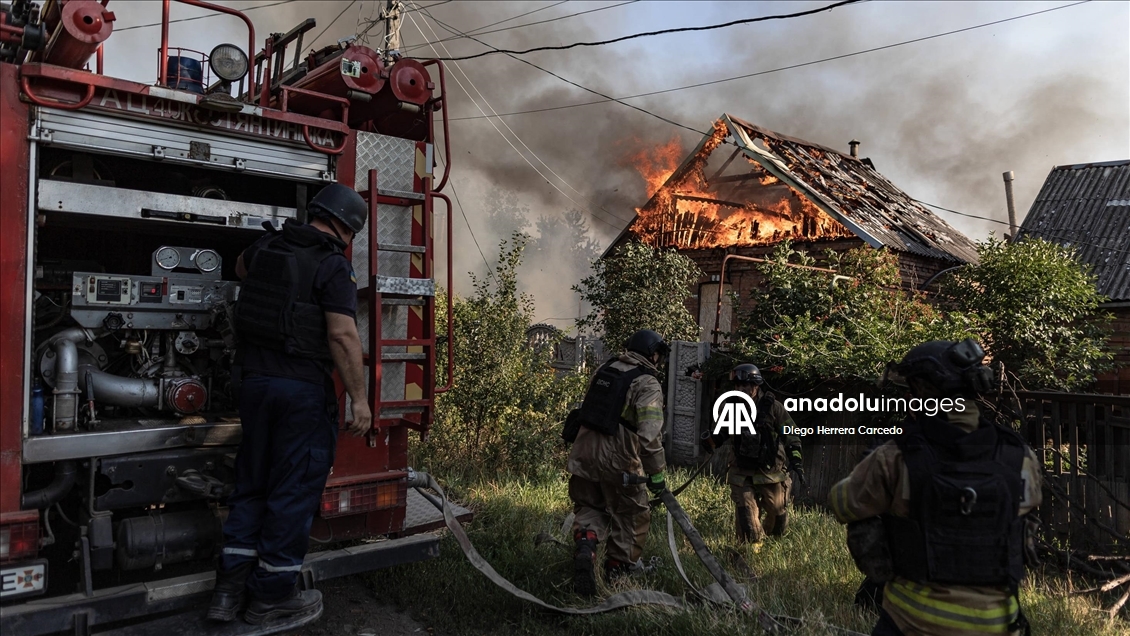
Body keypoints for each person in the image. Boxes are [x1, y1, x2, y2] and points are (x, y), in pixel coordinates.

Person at [207, 184, 372, 625]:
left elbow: (240, 268)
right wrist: (360, 399)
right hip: (300, 391)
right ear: (347, 227)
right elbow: (341, 335)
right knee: (292, 492)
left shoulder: (266, 246)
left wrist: (274, 243)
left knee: (252, 485)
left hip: (254, 386)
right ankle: (271, 598)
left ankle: (226, 593)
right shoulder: (334, 266)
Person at [828, 339, 1042, 636]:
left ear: (924, 389)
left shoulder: (896, 455)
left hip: (911, 622)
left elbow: (842, 502)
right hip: (998, 624)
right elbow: (1025, 522)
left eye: (912, 388)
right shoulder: (1020, 456)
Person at [566, 329, 669, 596]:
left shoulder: (604, 370)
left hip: (584, 454)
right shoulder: (647, 384)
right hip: (619, 461)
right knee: (632, 515)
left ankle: (587, 545)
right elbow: (648, 436)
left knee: (590, 505)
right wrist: (656, 472)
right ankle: (617, 571)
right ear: (652, 354)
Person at [701, 363, 803, 550]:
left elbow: (791, 433)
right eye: (737, 386)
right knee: (747, 518)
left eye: (745, 386)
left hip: (770, 472)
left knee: (778, 515)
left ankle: (772, 547)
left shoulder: (773, 407)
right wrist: (711, 441)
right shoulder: (730, 407)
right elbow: (722, 433)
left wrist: (796, 459)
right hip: (742, 471)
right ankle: (750, 552)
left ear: (756, 386)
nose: (740, 389)